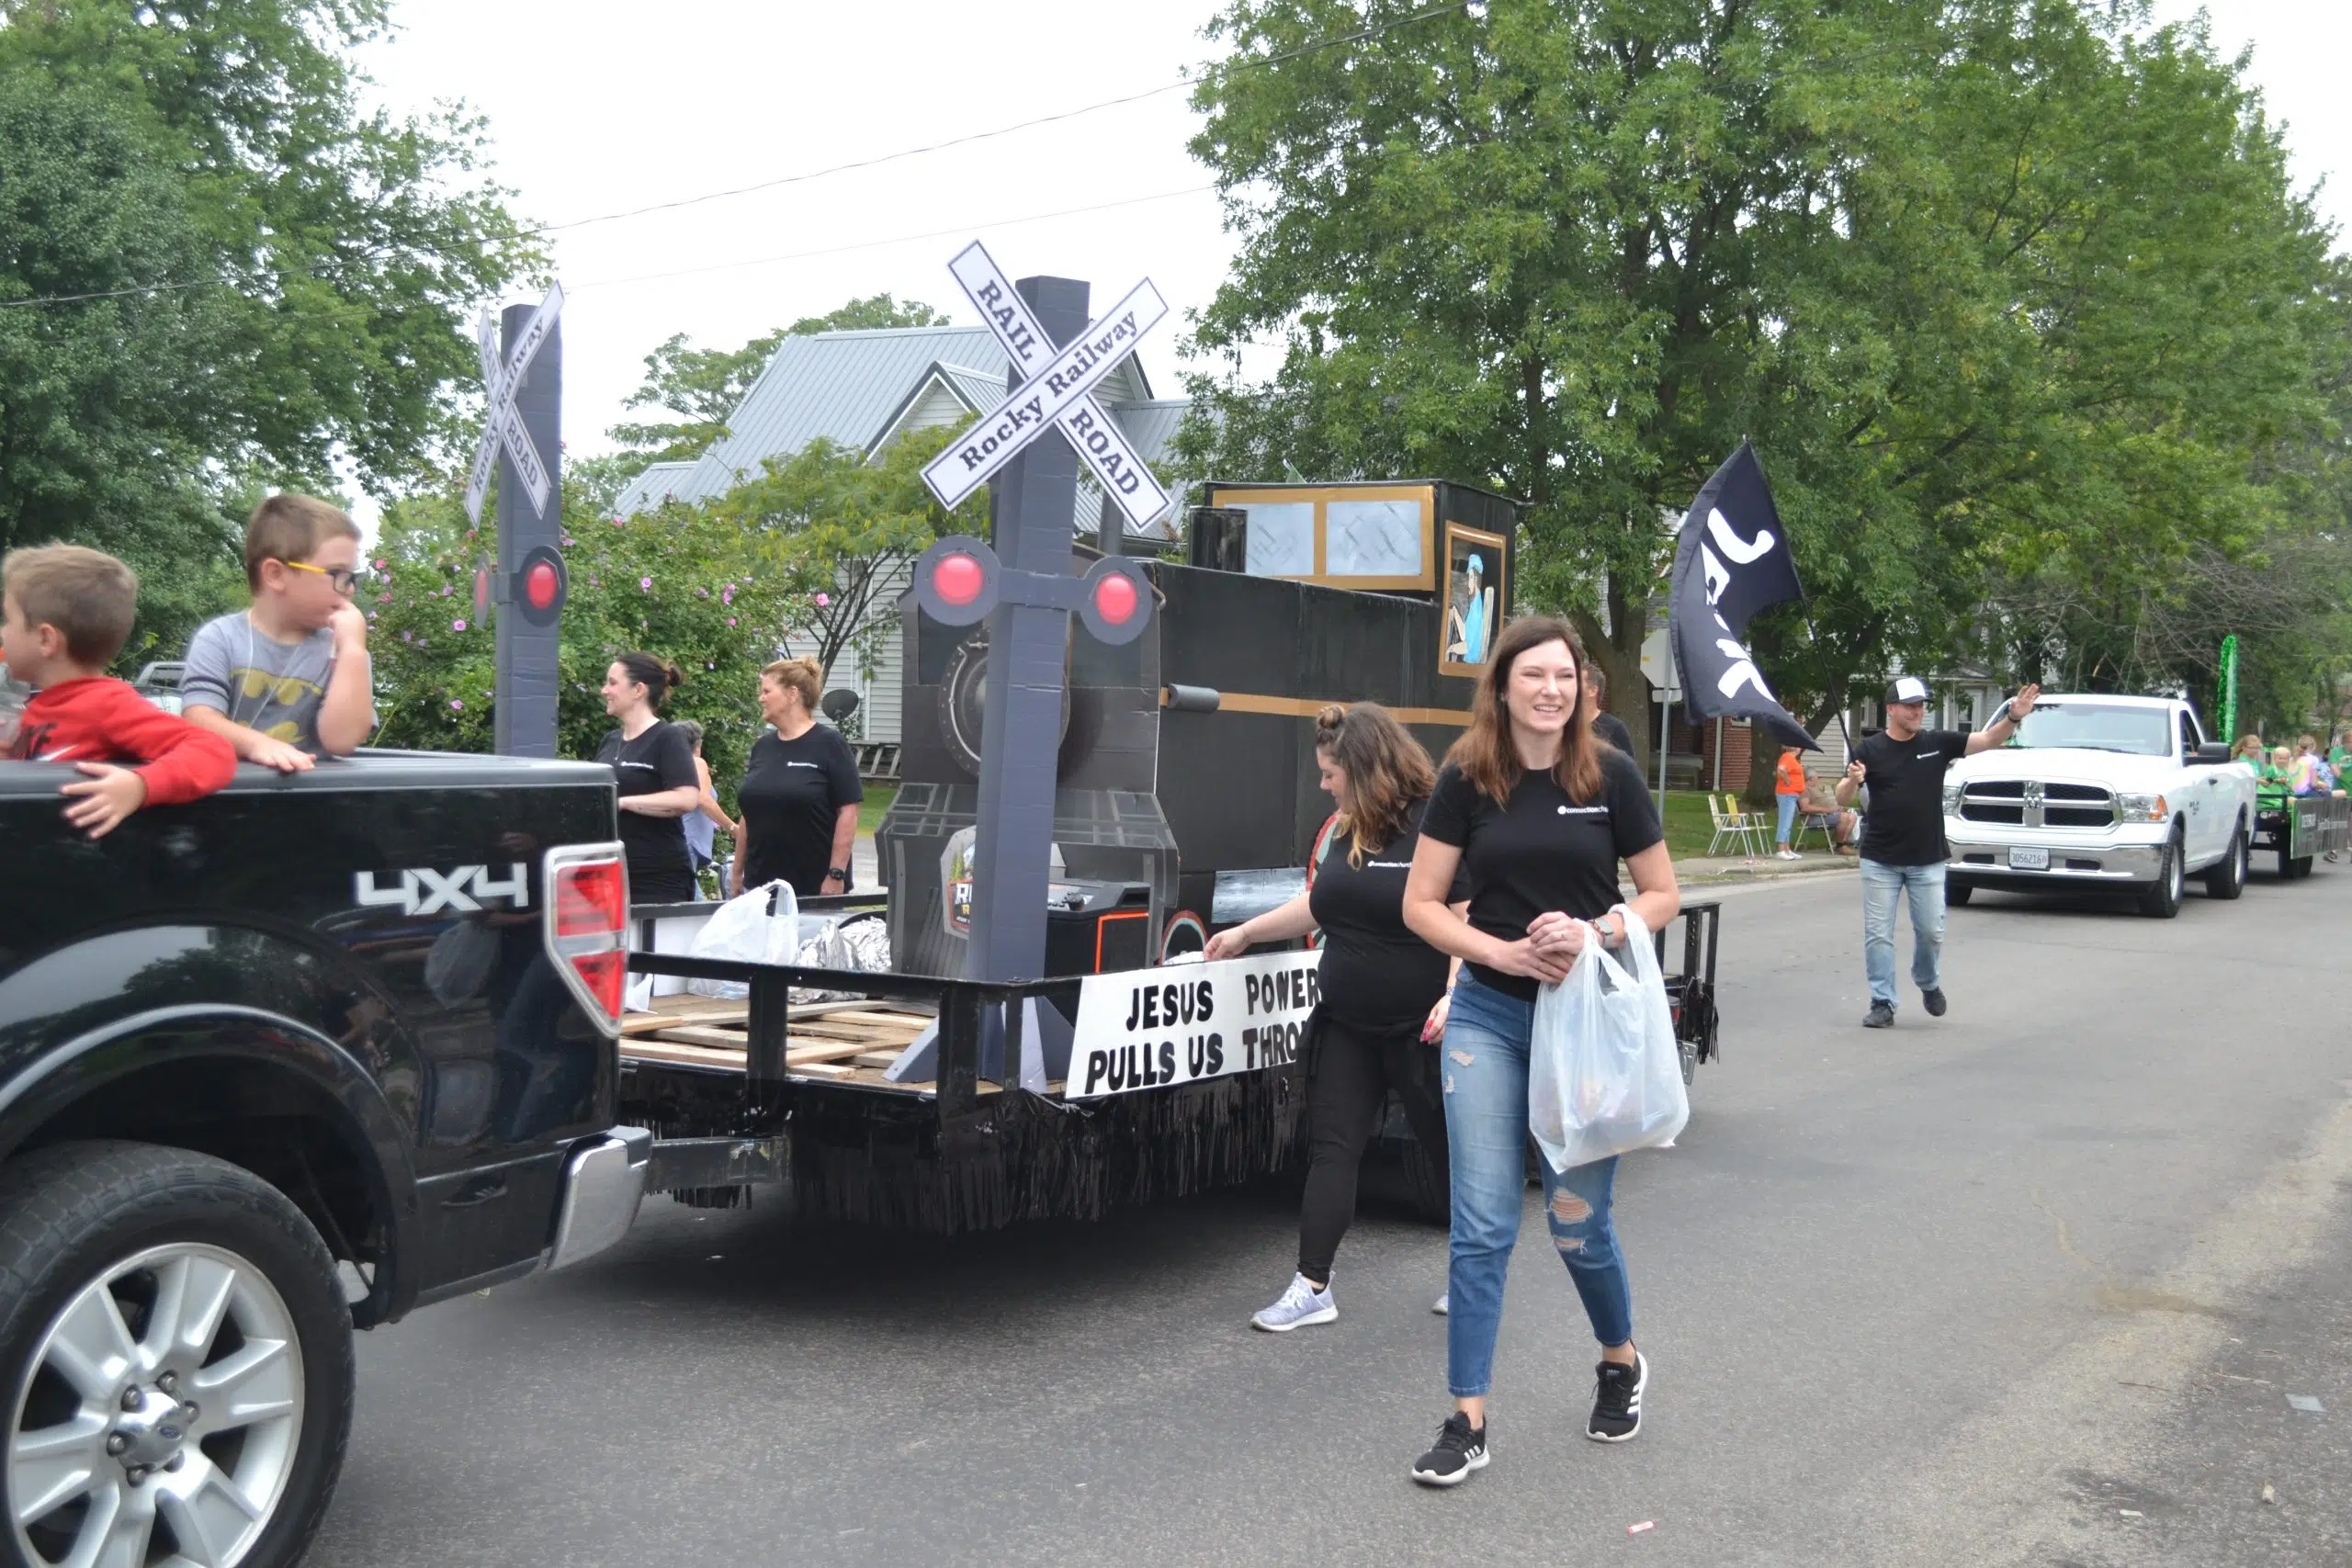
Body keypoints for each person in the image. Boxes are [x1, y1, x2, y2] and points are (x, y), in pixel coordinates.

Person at [1399, 615, 1681, 1483]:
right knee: (1482, 1225)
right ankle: (1467, 1419)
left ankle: (1620, 1359)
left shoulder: (1610, 775)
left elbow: (1662, 893)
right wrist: (1502, 952)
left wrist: (1596, 930)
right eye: (1534, 675)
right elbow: (1422, 903)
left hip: (1582, 1022)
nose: (1550, 690)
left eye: (1564, 676)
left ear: (1582, 688)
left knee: (1574, 1223)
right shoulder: (1466, 776)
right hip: (1487, 1014)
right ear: (1503, 685)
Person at [1205, 703, 1457, 1332]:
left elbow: (1466, 914)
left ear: (1366, 768)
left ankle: (1475, 1269)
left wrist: (1455, 992)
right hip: (1347, 1023)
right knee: (1332, 1148)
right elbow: (1322, 904)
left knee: (1450, 1152)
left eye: (1330, 773)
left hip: (1422, 1026)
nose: (1323, 784)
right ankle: (1312, 1285)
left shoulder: (1435, 823)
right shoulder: (1347, 827)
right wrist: (1247, 933)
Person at [1837, 675, 2038, 1029]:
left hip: (1927, 857)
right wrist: (1854, 779)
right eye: (1910, 706)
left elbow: (1989, 739)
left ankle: (1927, 981)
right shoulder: (1868, 750)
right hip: (1880, 858)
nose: (1917, 712)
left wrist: (2013, 716)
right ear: (1891, 709)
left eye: (1920, 705)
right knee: (1878, 934)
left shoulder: (1937, 743)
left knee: (1931, 931)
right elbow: (1841, 798)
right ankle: (1882, 1002)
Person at [3, 545, 235, 836]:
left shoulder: (106, 704)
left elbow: (213, 750)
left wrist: (140, 786)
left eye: (8, 620)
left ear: (45, 639)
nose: (3, 632)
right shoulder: (41, 705)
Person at [180, 494, 374, 769]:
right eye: (337, 574)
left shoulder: (344, 651)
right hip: (227, 792)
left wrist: (353, 651)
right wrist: (256, 744)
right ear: (276, 574)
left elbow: (341, 740)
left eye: (352, 577)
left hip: (310, 795)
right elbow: (198, 719)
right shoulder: (220, 638)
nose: (350, 588)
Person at [732, 657, 862, 899]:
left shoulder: (829, 743)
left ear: (792, 694)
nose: (761, 698)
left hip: (813, 888)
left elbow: (848, 812)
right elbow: (750, 813)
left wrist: (836, 875)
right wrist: (737, 872)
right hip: (759, 888)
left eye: (767, 691)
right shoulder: (763, 747)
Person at [593, 651, 700, 904]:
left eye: (612, 683)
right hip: (611, 874)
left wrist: (623, 803)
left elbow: (687, 798)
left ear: (638, 690)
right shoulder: (610, 740)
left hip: (657, 878)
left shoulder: (668, 737)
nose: (604, 690)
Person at [670, 719, 737, 898]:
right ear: (698, 744)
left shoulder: (671, 766)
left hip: (676, 842)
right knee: (692, 901)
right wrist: (733, 828)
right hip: (687, 841)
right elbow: (703, 799)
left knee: (684, 897)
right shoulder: (696, 762)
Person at [1797, 774, 1860, 856]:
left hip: (1826, 815)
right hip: (1815, 818)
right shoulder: (1805, 789)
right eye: (1817, 778)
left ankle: (1842, 843)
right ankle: (1840, 846)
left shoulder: (1816, 789)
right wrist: (1828, 810)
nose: (1818, 780)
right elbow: (1805, 808)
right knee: (1844, 817)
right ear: (1811, 778)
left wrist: (1836, 808)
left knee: (1852, 816)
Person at [1582, 663, 1634, 753]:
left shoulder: (1615, 728)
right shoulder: (1563, 725)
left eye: (1576, 683)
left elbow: (1627, 762)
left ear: (1593, 691)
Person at [1773, 744, 1807, 859]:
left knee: (1788, 822)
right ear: (1796, 748)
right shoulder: (1787, 757)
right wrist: (1787, 780)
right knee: (1785, 821)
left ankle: (1787, 849)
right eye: (1799, 746)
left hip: (1792, 794)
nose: (1800, 748)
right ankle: (1781, 850)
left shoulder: (1792, 759)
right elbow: (1781, 769)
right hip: (1787, 794)